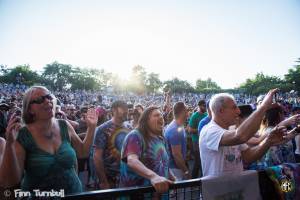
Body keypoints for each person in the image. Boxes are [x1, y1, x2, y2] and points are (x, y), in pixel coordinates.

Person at [0, 86, 98, 195]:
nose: (47, 101)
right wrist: (9, 143)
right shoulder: (23, 134)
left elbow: (83, 152)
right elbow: (10, 181)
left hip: (73, 193)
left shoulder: (64, 125)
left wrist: (92, 127)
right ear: (30, 110)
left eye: (48, 97)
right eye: (40, 100)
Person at [199, 89, 288, 176]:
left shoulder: (231, 130)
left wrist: (268, 142)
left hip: (238, 187)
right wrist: (263, 107)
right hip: (218, 190)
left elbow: (249, 156)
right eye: (234, 107)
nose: (238, 111)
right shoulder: (209, 131)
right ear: (221, 111)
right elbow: (240, 136)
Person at [120, 106, 174, 198]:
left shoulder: (162, 139)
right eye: (156, 115)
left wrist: (170, 175)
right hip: (138, 195)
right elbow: (132, 160)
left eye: (161, 115)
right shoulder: (135, 136)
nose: (161, 117)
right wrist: (153, 176)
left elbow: (163, 163)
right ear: (146, 120)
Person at [93, 100, 131, 189]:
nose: (126, 111)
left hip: (127, 176)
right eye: (123, 108)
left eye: (127, 108)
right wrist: (103, 181)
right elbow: (97, 157)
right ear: (113, 110)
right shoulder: (102, 129)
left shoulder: (129, 127)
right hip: (110, 178)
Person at [164, 102, 190, 180]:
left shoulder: (177, 126)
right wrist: (186, 172)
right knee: (177, 191)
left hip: (175, 167)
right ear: (183, 112)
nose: (188, 113)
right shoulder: (175, 130)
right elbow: (177, 155)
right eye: (186, 111)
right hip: (175, 169)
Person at [188, 100, 207, 178]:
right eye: (203, 106)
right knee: (198, 162)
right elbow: (189, 130)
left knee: (203, 161)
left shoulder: (206, 114)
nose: (205, 107)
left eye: (205, 105)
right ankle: (193, 180)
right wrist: (201, 129)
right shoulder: (194, 116)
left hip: (204, 141)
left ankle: (202, 179)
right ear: (199, 106)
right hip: (196, 141)